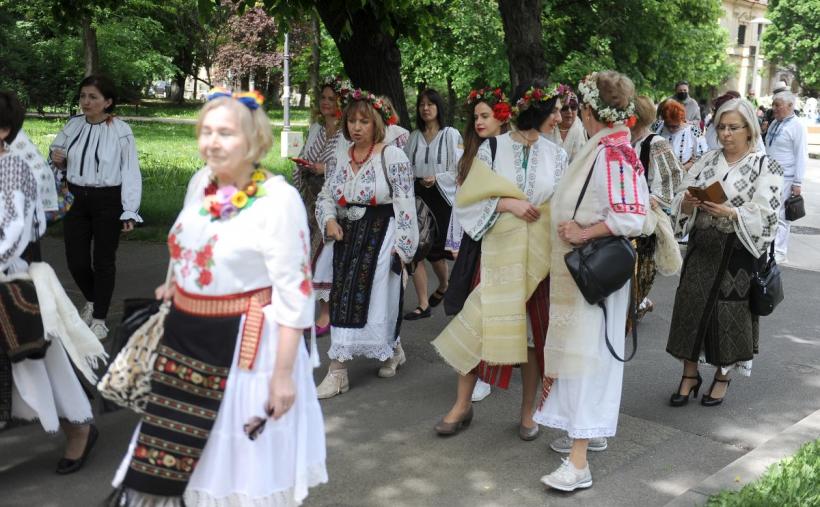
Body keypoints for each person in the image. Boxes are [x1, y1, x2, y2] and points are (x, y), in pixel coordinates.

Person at [111, 90, 327, 505]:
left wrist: (282, 375)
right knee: (172, 467)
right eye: (206, 131)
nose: (212, 141)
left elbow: (294, 292)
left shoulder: (277, 200)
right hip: (185, 344)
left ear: (254, 140)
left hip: (248, 355)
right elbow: (190, 249)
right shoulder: (202, 185)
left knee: (237, 477)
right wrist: (177, 285)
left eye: (225, 132)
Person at [432, 81, 566, 441]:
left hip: (539, 261)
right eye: (553, 109)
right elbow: (469, 199)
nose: (559, 116)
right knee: (481, 322)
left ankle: (529, 412)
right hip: (496, 255)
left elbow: (563, 205)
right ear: (536, 111)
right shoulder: (492, 148)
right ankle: (462, 404)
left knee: (534, 338)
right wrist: (508, 204)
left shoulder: (558, 155)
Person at [535, 71, 648, 492]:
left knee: (587, 358)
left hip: (592, 271)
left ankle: (578, 462)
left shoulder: (613, 152)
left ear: (588, 110)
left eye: (576, 108)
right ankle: (585, 434)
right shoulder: (606, 147)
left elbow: (632, 218)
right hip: (584, 271)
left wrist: (583, 233)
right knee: (583, 355)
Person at [1, 90, 105, 475]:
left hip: (9, 281)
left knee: (34, 361)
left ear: (4, 130)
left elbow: (14, 233)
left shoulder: (13, 168)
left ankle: (79, 427)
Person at [666, 98, 783, 408]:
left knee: (727, 315)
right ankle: (689, 375)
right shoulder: (707, 160)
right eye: (721, 127)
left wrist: (732, 213)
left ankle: (722, 375)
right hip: (701, 248)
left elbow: (769, 214)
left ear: (749, 130)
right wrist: (688, 204)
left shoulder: (765, 165)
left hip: (737, 253)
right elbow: (681, 195)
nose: (726, 134)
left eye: (733, 127)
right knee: (689, 309)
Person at [314, 89, 418, 399]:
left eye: (364, 121)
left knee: (376, 297)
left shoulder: (392, 156)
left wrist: (404, 247)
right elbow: (326, 195)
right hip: (347, 234)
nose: (356, 127)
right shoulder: (339, 157)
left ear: (376, 124)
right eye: (351, 121)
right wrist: (329, 220)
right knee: (344, 297)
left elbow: (405, 202)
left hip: (381, 232)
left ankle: (388, 350)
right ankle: (340, 370)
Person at [50, 75, 142, 340]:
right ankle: (92, 300)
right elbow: (57, 155)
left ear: (108, 102)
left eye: (93, 97)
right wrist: (57, 158)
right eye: (82, 96)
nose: (86, 102)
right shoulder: (73, 125)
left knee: (103, 262)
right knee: (76, 261)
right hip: (75, 199)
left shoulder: (121, 130)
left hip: (108, 201)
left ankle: (100, 318)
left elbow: (130, 171)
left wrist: (129, 209)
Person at [443, 87, 513, 403]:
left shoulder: (510, 151)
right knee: (473, 306)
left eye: (485, 116)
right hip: (476, 238)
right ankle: (476, 367)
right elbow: (464, 200)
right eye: (476, 117)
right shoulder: (470, 153)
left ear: (501, 117)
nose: (479, 122)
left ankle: (489, 369)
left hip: (503, 237)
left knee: (496, 307)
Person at [294, 77, 350, 337]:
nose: (326, 103)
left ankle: (327, 315)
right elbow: (306, 153)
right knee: (308, 257)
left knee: (325, 258)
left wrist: (323, 168)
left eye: (332, 99)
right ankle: (317, 312)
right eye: (323, 98)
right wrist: (304, 165)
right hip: (310, 198)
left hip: (334, 204)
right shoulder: (317, 128)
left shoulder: (346, 132)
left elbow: (347, 166)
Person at [403, 89, 462, 320]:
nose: (425, 108)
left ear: (438, 107)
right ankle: (423, 304)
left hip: (442, 196)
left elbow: (459, 167)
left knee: (436, 252)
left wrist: (437, 178)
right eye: (422, 104)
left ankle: (445, 284)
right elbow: (405, 167)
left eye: (430, 104)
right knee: (416, 249)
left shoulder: (451, 134)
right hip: (418, 196)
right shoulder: (413, 136)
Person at [630, 96, 685, 317]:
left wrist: (656, 198)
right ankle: (633, 304)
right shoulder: (626, 140)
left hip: (647, 216)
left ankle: (637, 302)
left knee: (643, 264)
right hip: (629, 211)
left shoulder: (655, 142)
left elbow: (674, 174)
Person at [766, 90, 808, 263]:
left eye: (778, 105)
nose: (774, 108)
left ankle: (780, 252)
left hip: (786, 177)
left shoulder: (797, 126)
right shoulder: (775, 122)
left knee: (782, 214)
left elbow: (801, 155)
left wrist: (797, 182)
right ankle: (769, 248)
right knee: (769, 212)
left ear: (790, 106)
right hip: (769, 175)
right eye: (773, 104)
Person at [658, 100, 708, 172]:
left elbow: (703, 156)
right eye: (667, 125)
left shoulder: (693, 130)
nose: (671, 129)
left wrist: (683, 168)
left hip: (684, 174)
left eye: (675, 126)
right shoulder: (658, 126)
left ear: (682, 120)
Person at [547, 86, 586, 163]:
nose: (569, 111)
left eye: (573, 107)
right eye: (565, 108)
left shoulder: (585, 131)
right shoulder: (547, 128)